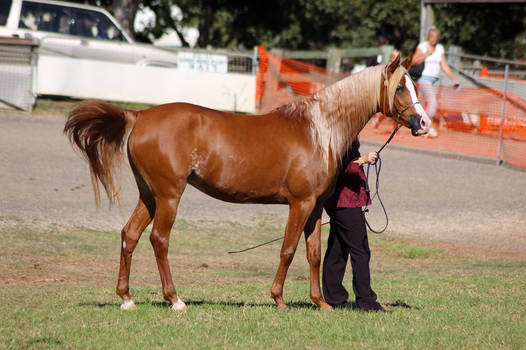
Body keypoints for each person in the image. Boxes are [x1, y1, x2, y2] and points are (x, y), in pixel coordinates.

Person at [322, 139, 388, 313]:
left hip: (341, 200)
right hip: (345, 200)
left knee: (337, 250)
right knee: (360, 250)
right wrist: (362, 160)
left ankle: (334, 298)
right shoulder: (341, 136)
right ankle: (366, 302)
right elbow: (338, 166)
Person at [412, 26, 459, 138]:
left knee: (429, 104)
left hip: (436, 80)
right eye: (432, 36)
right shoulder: (422, 46)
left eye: (436, 37)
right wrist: (426, 54)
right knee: (433, 103)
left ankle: (423, 126)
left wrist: (454, 79)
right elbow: (413, 61)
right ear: (429, 36)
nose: (433, 39)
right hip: (424, 78)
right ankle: (426, 127)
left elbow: (444, 65)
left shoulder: (440, 48)